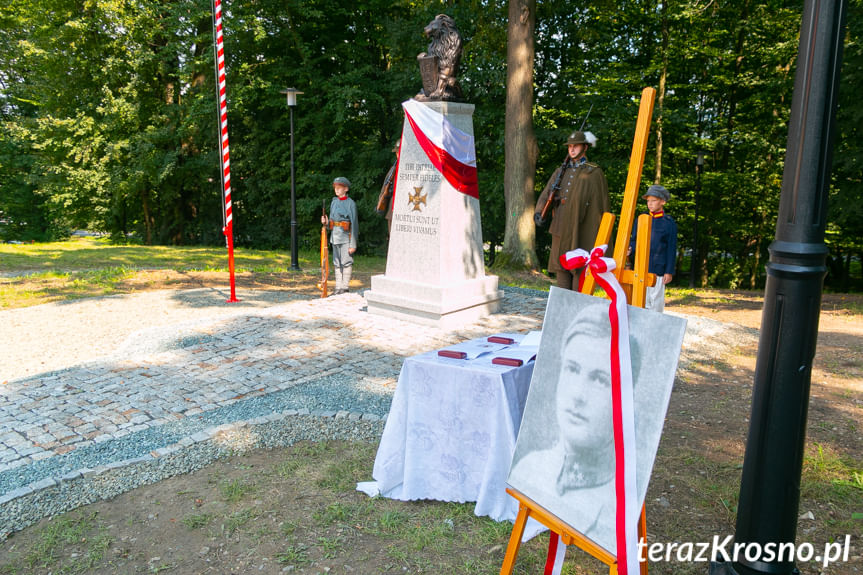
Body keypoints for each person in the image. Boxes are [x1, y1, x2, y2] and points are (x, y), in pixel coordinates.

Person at [508, 302, 641, 552]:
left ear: (625, 395)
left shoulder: (616, 508)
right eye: (572, 369)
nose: (578, 395)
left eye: (600, 379)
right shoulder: (530, 468)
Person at [534, 131, 610, 291]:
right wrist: (539, 212)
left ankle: (578, 308)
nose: (572, 149)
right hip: (560, 225)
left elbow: (602, 205)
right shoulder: (561, 171)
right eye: (570, 146)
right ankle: (562, 307)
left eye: (576, 146)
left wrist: (603, 236)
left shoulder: (594, 172)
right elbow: (547, 192)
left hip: (581, 227)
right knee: (561, 267)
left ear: (585, 147)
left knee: (579, 268)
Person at [628, 184, 677, 312]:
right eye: (648, 201)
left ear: (663, 202)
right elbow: (634, 240)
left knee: (655, 304)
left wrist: (669, 271)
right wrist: (630, 249)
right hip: (640, 268)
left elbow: (671, 248)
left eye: (653, 200)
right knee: (639, 302)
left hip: (658, 269)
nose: (649, 204)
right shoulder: (641, 219)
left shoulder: (669, 223)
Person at [321, 176, 359, 295]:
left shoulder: (350, 204)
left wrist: (353, 244)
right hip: (335, 236)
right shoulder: (334, 202)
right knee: (336, 262)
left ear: (346, 189)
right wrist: (326, 222)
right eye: (335, 188)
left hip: (345, 237)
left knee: (346, 262)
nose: (336, 190)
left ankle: (345, 287)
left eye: (339, 188)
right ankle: (338, 287)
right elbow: (332, 222)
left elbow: (354, 224)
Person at [375, 142, 399, 232]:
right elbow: (385, 187)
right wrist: (381, 201)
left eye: (399, 152)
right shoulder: (393, 169)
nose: (398, 154)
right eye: (396, 152)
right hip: (392, 209)